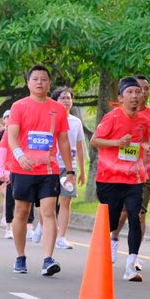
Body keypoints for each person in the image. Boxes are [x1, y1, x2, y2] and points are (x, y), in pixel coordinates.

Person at [7, 65, 74, 275]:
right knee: (21, 212)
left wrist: (70, 171)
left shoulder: (58, 109)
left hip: (48, 170)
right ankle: (20, 257)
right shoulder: (19, 106)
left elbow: (63, 141)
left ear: (49, 83)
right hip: (23, 169)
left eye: (44, 79)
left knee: (48, 212)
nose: (39, 82)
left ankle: (48, 259)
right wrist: (20, 156)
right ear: (28, 83)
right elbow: (12, 137)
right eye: (35, 79)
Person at [91, 77, 150, 282]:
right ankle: (103, 250)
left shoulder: (144, 121)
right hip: (109, 178)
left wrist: (149, 148)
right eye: (130, 92)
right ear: (120, 97)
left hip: (134, 178)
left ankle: (131, 266)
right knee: (111, 220)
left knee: (135, 217)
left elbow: (144, 142)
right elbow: (95, 141)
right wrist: (117, 142)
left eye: (138, 92)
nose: (135, 96)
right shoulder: (112, 117)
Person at [112, 75, 150, 270]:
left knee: (139, 214)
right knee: (122, 213)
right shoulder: (117, 115)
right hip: (121, 173)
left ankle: (133, 257)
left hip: (144, 174)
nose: (142, 92)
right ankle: (113, 239)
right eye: (137, 89)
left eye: (146, 88)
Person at [50, 87, 86, 249]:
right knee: (49, 201)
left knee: (66, 200)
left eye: (68, 98)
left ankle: (61, 237)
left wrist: (82, 171)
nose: (66, 101)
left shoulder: (76, 122)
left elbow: (80, 147)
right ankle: (43, 227)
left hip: (69, 167)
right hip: (51, 166)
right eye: (62, 98)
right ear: (55, 100)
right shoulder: (50, 118)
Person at [0, 110, 35, 239]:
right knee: (10, 199)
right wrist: (1, 172)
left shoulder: (30, 130)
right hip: (11, 171)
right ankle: (8, 227)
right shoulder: (9, 131)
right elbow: (2, 152)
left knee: (29, 199)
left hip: (27, 169)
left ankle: (29, 227)